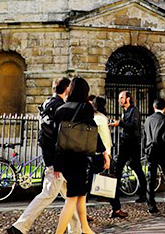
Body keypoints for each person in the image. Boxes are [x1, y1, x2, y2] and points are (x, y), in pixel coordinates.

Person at [7, 77, 80, 234]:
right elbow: (60, 138)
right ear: (67, 89)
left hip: (52, 158)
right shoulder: (61, 107)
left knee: (70, 195)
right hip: (57, 161)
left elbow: (45, 136)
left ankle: (76, 229)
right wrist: (57, 163)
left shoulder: (48, 104)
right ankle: (20, 226)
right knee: (47, 194)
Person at [53, 77, 110, 234]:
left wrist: (56, 163)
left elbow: (55, 139)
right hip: (79, 157)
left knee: (80, 194)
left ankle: (85, 227)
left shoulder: (61, 109)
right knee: (72, 197)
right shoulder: (86, 108)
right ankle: (59, 232)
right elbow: (92, 132)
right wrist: (104, 152)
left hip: (64, 157)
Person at [108, 91, 147, 218]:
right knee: (120, 168)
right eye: (119, 98)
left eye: (121, 98)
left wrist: (120, 123)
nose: (119, 100)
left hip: (132, 143)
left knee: (134, 168)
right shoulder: (125, 111)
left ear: (128, 98)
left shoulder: (134, 111)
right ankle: (116, 194)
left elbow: (134, 126)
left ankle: (142, 194)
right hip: (125, 142)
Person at [143, 98, 165, 213]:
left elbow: (145, 136)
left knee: (151, 178)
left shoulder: (147, 119)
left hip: (150, 151)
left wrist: (145, 149)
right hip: (161, 151)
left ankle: (151, 205)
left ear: (153, 107)